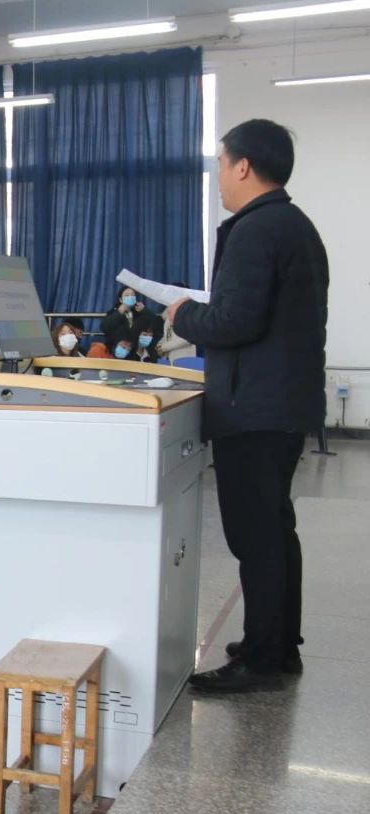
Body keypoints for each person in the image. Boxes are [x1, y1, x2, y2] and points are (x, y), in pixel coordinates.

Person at [167, 119, 328, 693]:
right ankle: (278, 646)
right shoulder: (293, 224)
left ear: (243, 166)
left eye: (219, 164)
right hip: (280, 403)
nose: (217, 176)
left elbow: (234, 321)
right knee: (275, 530)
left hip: (254, 407)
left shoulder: (256, 228)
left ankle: (261, 660)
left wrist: (183, 314)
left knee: (256, 536)